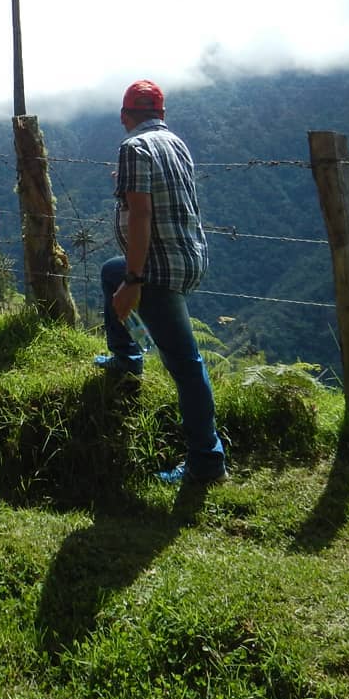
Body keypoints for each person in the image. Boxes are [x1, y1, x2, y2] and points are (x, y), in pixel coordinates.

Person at [97, 80, 227, 484]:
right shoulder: (174, 143)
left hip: (157, 267)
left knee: (185, 363)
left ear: (124, 116)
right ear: (162, 115)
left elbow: (141, 216)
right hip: (189, 255)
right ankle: (126, 358)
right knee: (110, 272)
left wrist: (135, 279)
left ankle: (207, 460)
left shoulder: (134, 147)